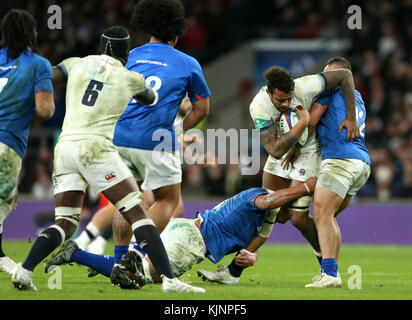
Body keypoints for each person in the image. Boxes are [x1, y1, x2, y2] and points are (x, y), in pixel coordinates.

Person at [11, 26, 205, 294]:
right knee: (137, 211)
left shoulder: (75, 63)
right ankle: (170, 281)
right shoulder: (129, 76)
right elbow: (150, 98)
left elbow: (47, 74)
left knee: (65, 223)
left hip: (64, 147)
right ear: (126, 53)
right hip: (96, 149)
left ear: (101, 46)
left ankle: (24, 271)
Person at [73, 0, 210, 286]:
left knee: (127, 200)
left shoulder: (131, 55)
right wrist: (177, 129)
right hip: (157, 140)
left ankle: (119, 258)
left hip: (119, 137)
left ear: (148, 27)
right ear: (176, 33)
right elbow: (202, 108)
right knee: (168, 200)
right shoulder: (188, 63)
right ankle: (134, 255)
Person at [200, 64, 360, 283]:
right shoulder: (259, 106)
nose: (286, 104)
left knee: (296, 217)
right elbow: (274, 150)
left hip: (309, 150)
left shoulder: (305, 85)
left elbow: (344, 74)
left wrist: (351, 117)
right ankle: (233, 272)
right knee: (266, 208)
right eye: (280, 101)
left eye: (289, 99)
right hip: (281, 150)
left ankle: (328, 269)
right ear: (269, 93)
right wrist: (301, 124)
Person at [44, 177, 318, 288]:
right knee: (142, 277)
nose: (289, 220)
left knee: (139, 272)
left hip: (189, 234)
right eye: (290, 213)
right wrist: (306, 187)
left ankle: (98, 259)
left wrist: (249, 259)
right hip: (191, 239)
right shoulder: (261, 198)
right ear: (285, 202)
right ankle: (77, 254)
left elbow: (252, 243)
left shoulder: (264, 217)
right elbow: (271, 202)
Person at [304, 57, 370, 288]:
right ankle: (328, 271)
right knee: (328, 216)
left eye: (329, 74)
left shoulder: (330, 91)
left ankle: (331, 274)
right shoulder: (358, 98)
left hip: (341, 159)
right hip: (361, 163)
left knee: (321, 214)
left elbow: (311, 122)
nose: (325, 79)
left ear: (341, 75)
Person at [0, 9, 55, 275]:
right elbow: (45, 110)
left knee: (7, 197)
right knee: (4, 199)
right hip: (7, 142)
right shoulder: (38, 64)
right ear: (33, 34)